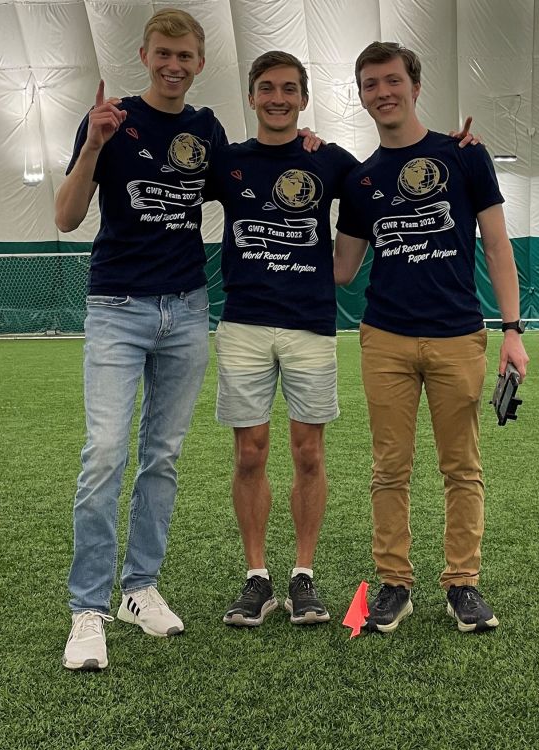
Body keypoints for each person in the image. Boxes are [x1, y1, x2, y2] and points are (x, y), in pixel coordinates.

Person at [333, 41, 530, 634]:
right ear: (362, 96)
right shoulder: (363, 179)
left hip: (458, 338)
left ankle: (462, 585)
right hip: (385, 338)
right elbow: (342, 268)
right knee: (389, 468)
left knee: (461, 467)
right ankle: (395, 584)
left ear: (415, 86)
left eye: (392, 80)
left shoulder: (464, 155)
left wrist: (513, 330)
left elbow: (497, 246)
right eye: (370, 84)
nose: (382, 92)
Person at [54, 9, 224, 671]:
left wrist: (304, 147)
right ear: (144, 54)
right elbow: (66, 217)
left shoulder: (206, 129)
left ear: (199, 62)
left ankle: (140, 588)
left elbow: (248, 188)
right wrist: (94, 145)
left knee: (164, 456)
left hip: (185, 312)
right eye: (163, 54)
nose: (174, 65)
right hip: (117, 310)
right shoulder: (111, 120)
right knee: (103, 454)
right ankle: (87, 611)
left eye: (185, 55)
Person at [205, 51, 358, 627]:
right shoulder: (229, 162)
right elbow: (165, 191)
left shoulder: (329, 160)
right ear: (251, 96)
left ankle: (303, 577)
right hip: (243, 325)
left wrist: (455, 151)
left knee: (309, 452)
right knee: (250, 452)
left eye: (289, 89)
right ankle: (256, 578)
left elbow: (381, 186)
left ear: (303, 98)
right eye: (267, 88)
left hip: (311, 325)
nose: (278, 98)